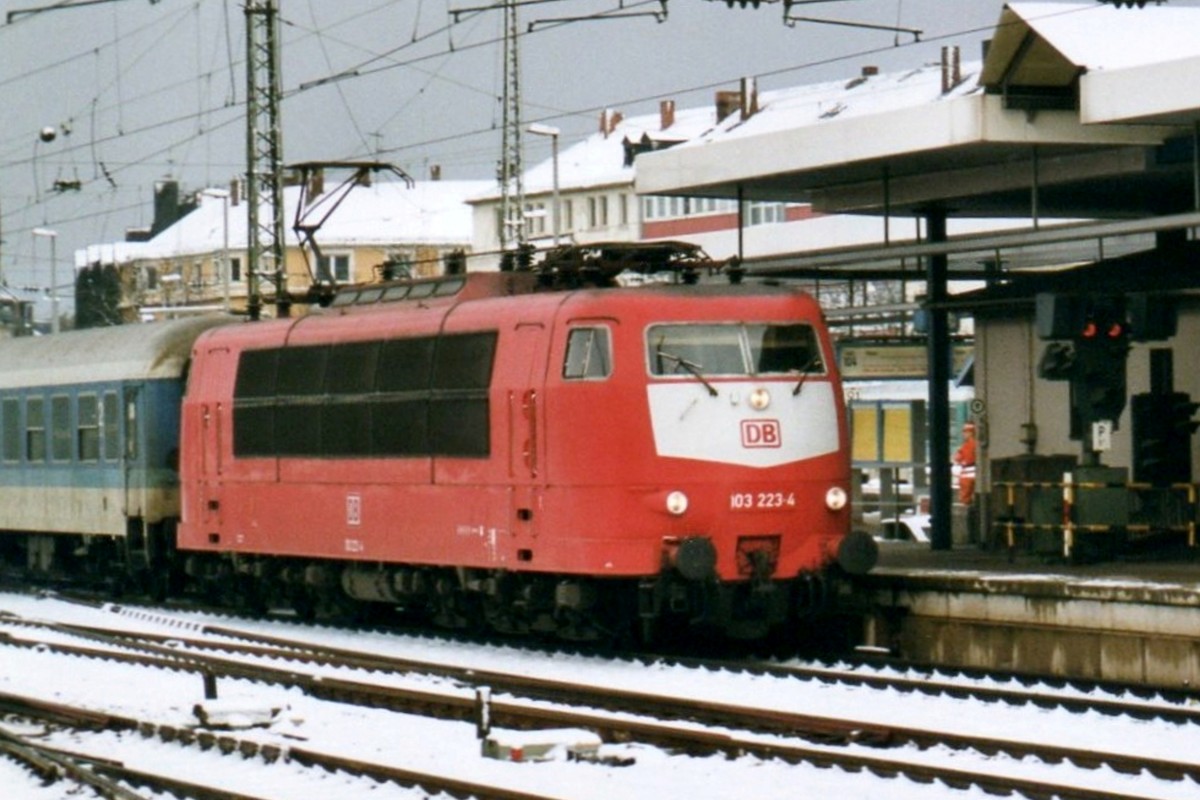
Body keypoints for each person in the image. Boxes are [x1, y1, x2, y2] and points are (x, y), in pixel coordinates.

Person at [953, 422, 977, 504]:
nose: (963, 434)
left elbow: (958, 458)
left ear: (971, 432)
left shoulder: (968, 445)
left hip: (967, 474)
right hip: (973, 473)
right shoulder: (973, 444)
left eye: (965, 431)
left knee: (965, 499)